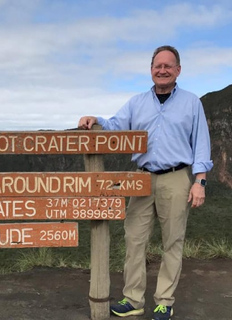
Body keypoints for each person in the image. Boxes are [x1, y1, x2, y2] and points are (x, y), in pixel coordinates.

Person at [78, 45, 212, 320]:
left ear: (178, 70)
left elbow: (201, 144)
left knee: (172, 241)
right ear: (151, 70)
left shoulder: (191, 103)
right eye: (157, 66)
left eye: (168, 66)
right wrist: (96, 120)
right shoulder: (137, 102)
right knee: (134, 240)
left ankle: (164, 301)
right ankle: (133, 299)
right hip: (141, 177)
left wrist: (200, 182)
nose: (162, 70)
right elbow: (116, 125)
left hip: (176, 177)